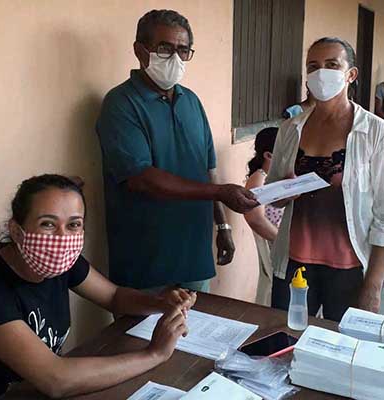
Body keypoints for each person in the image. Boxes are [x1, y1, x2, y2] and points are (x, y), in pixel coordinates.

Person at [0, 174, 197, 399]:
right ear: (16, 232)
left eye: (73, 225)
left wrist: (159, 303)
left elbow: (113, 296)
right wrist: (154, 354)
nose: (62, 238)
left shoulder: (60, 261)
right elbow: (56, 379)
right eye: (47, 224)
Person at [96, 9, 257, 293]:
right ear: (139, 50)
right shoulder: (121, 104)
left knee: (197, 335)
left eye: (183, 50)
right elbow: (141, 178)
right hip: (145, 264)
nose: (175, 57)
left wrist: (223, 226)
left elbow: (209, 171)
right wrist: (220, 194)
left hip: (194, 259)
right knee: (144, 338)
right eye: (164, 48)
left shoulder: (191, 101)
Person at [267, 37, 384, 322]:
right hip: (294, 265)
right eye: (313, 66)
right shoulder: (290, 128)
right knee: (284, 341)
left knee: (345, 352)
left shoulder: (374, 132)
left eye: (332, 65)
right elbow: (274, 194)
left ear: (351, 74)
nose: (321, 73)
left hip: (350, 268)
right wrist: (285, 190)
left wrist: (373, 284)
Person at [244, 127, 283, 306]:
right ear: (268, 155)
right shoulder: (259, 178)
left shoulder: (276, 177)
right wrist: (282, 240)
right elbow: (255, 218)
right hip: (274, 247)